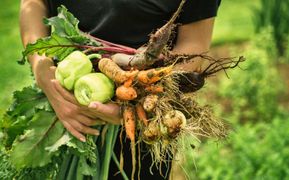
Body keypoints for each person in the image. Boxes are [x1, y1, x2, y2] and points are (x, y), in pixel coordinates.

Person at [20, 0, 221, 179]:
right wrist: (42, 70)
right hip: (58, 102)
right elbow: (33, 4)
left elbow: (194, 46)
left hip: (144, 118)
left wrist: (134, 104)